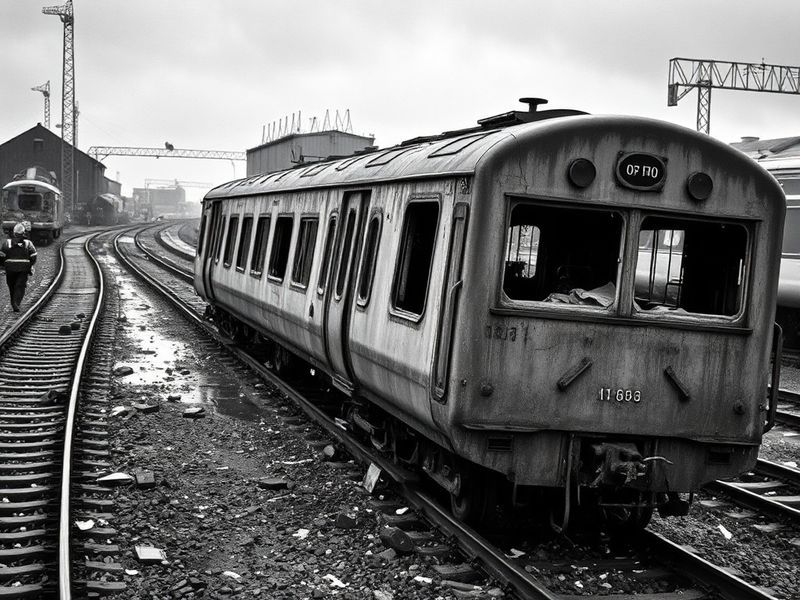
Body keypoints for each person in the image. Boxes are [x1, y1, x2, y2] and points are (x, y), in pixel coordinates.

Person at [0, 223, 38, 312]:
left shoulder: (7, 243)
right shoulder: (28, 243)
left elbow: (1, 256)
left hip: (10, 269)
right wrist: (30, 266)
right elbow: (33, 256)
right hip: (23, 269)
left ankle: (14, 302)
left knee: (12, 286)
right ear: (23, 233)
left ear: (14, 233)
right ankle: (16, 303)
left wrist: (2, 267)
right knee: (20, 286)